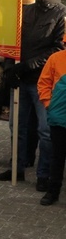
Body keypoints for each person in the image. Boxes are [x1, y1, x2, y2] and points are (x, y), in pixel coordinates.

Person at [0, 0, 66, 189]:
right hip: (21, 79)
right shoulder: (27, 10)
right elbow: (15, 43)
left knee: (45, 131)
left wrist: (28, 65)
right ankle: (18, 167)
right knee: (18, 126)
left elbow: (57, 49)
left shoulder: (61, 15)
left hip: (42, 81)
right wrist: (10, 68)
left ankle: (45, 175)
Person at [37, 46, 66, 205]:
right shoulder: (56, 58)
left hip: (58, 115)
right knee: (57, 157)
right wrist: (49, 105)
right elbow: (44, 83)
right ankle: (53, 191)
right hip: (59, 118)